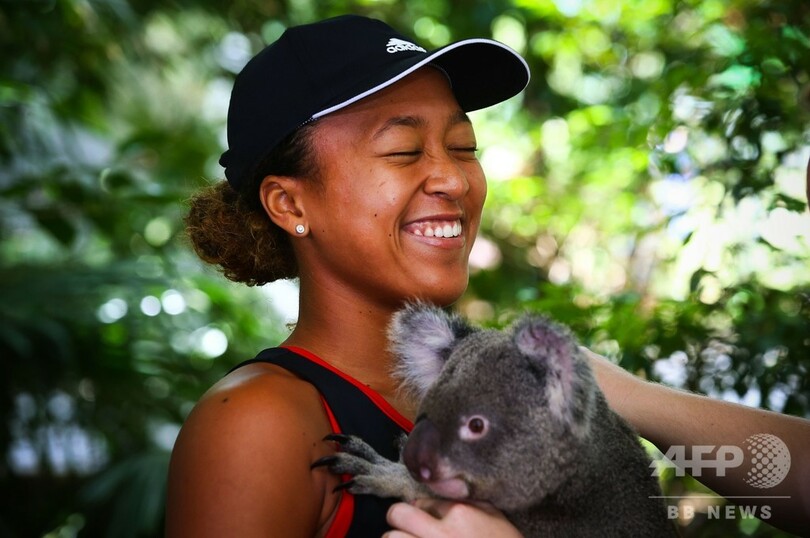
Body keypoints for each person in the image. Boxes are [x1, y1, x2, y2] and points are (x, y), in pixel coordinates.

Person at [166, 13, 810, 538]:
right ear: (290, 203)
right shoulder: (257, 422)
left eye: (465, 146)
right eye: (404, 151)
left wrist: (609, 392)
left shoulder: (514, 383)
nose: (453, 179)